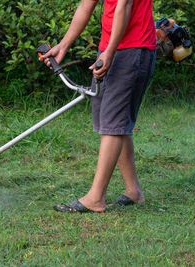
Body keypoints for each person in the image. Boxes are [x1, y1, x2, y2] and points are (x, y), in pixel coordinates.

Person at [42, 0, 156, 212]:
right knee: (112, 121)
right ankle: (133, 191)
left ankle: (96, 197)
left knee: (113, 122)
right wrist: (63, 46)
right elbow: (86, 5)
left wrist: (110, 52)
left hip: (131, 49)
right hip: (111, 49)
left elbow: (125, 6)